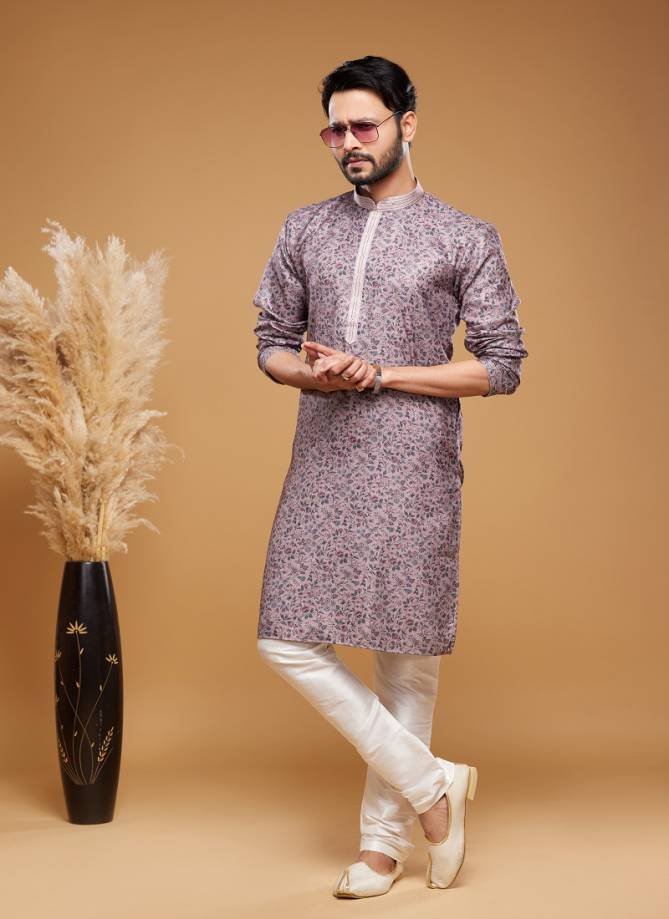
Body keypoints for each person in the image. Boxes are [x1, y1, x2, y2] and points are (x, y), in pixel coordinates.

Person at [251, 55, 528, 898]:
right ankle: (432, 786)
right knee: (285, 636)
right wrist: (312, 374)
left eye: (363, 125)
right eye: (334, 129)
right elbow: (270, 342)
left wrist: (382, 373)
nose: (348, 142)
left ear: (407, 124)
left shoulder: (463, 236)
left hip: (413, 461)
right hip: (324, 456)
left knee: (404, 659)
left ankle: (381, 847)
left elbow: (500, 364)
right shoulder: (305, 228)